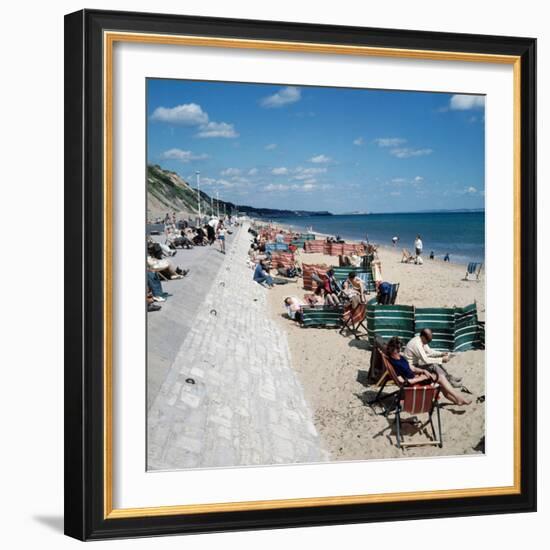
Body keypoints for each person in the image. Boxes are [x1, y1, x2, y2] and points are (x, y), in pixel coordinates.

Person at [386, 337, 470, 406]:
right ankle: (458, 397)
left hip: (418, 377)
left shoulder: (400, 357)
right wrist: (421, 378)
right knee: (440, 377)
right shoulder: (394, 364)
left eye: (399, 348)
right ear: (390, 349)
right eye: (396, 349)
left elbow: (413, 368)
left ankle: (456, 400)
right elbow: (403, 382)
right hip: (414, 384)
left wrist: (423, 371)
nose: (399, 351)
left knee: (440, 378)